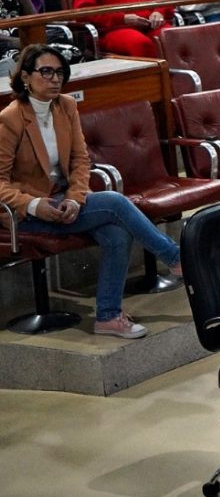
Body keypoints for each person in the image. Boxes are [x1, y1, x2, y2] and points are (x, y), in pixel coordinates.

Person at [0, 44, 182, 339]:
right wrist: (33, 205)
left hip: (62, 200)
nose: (55, 79)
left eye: (59, 72)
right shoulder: (10, 119)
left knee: (117, 233)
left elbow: (80, 160)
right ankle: (175, 257)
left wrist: (75, 198)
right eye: (46, 72)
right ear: (24, 77)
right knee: (113, 202)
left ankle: (108, 317)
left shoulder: (66, 106)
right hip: (27, 212)